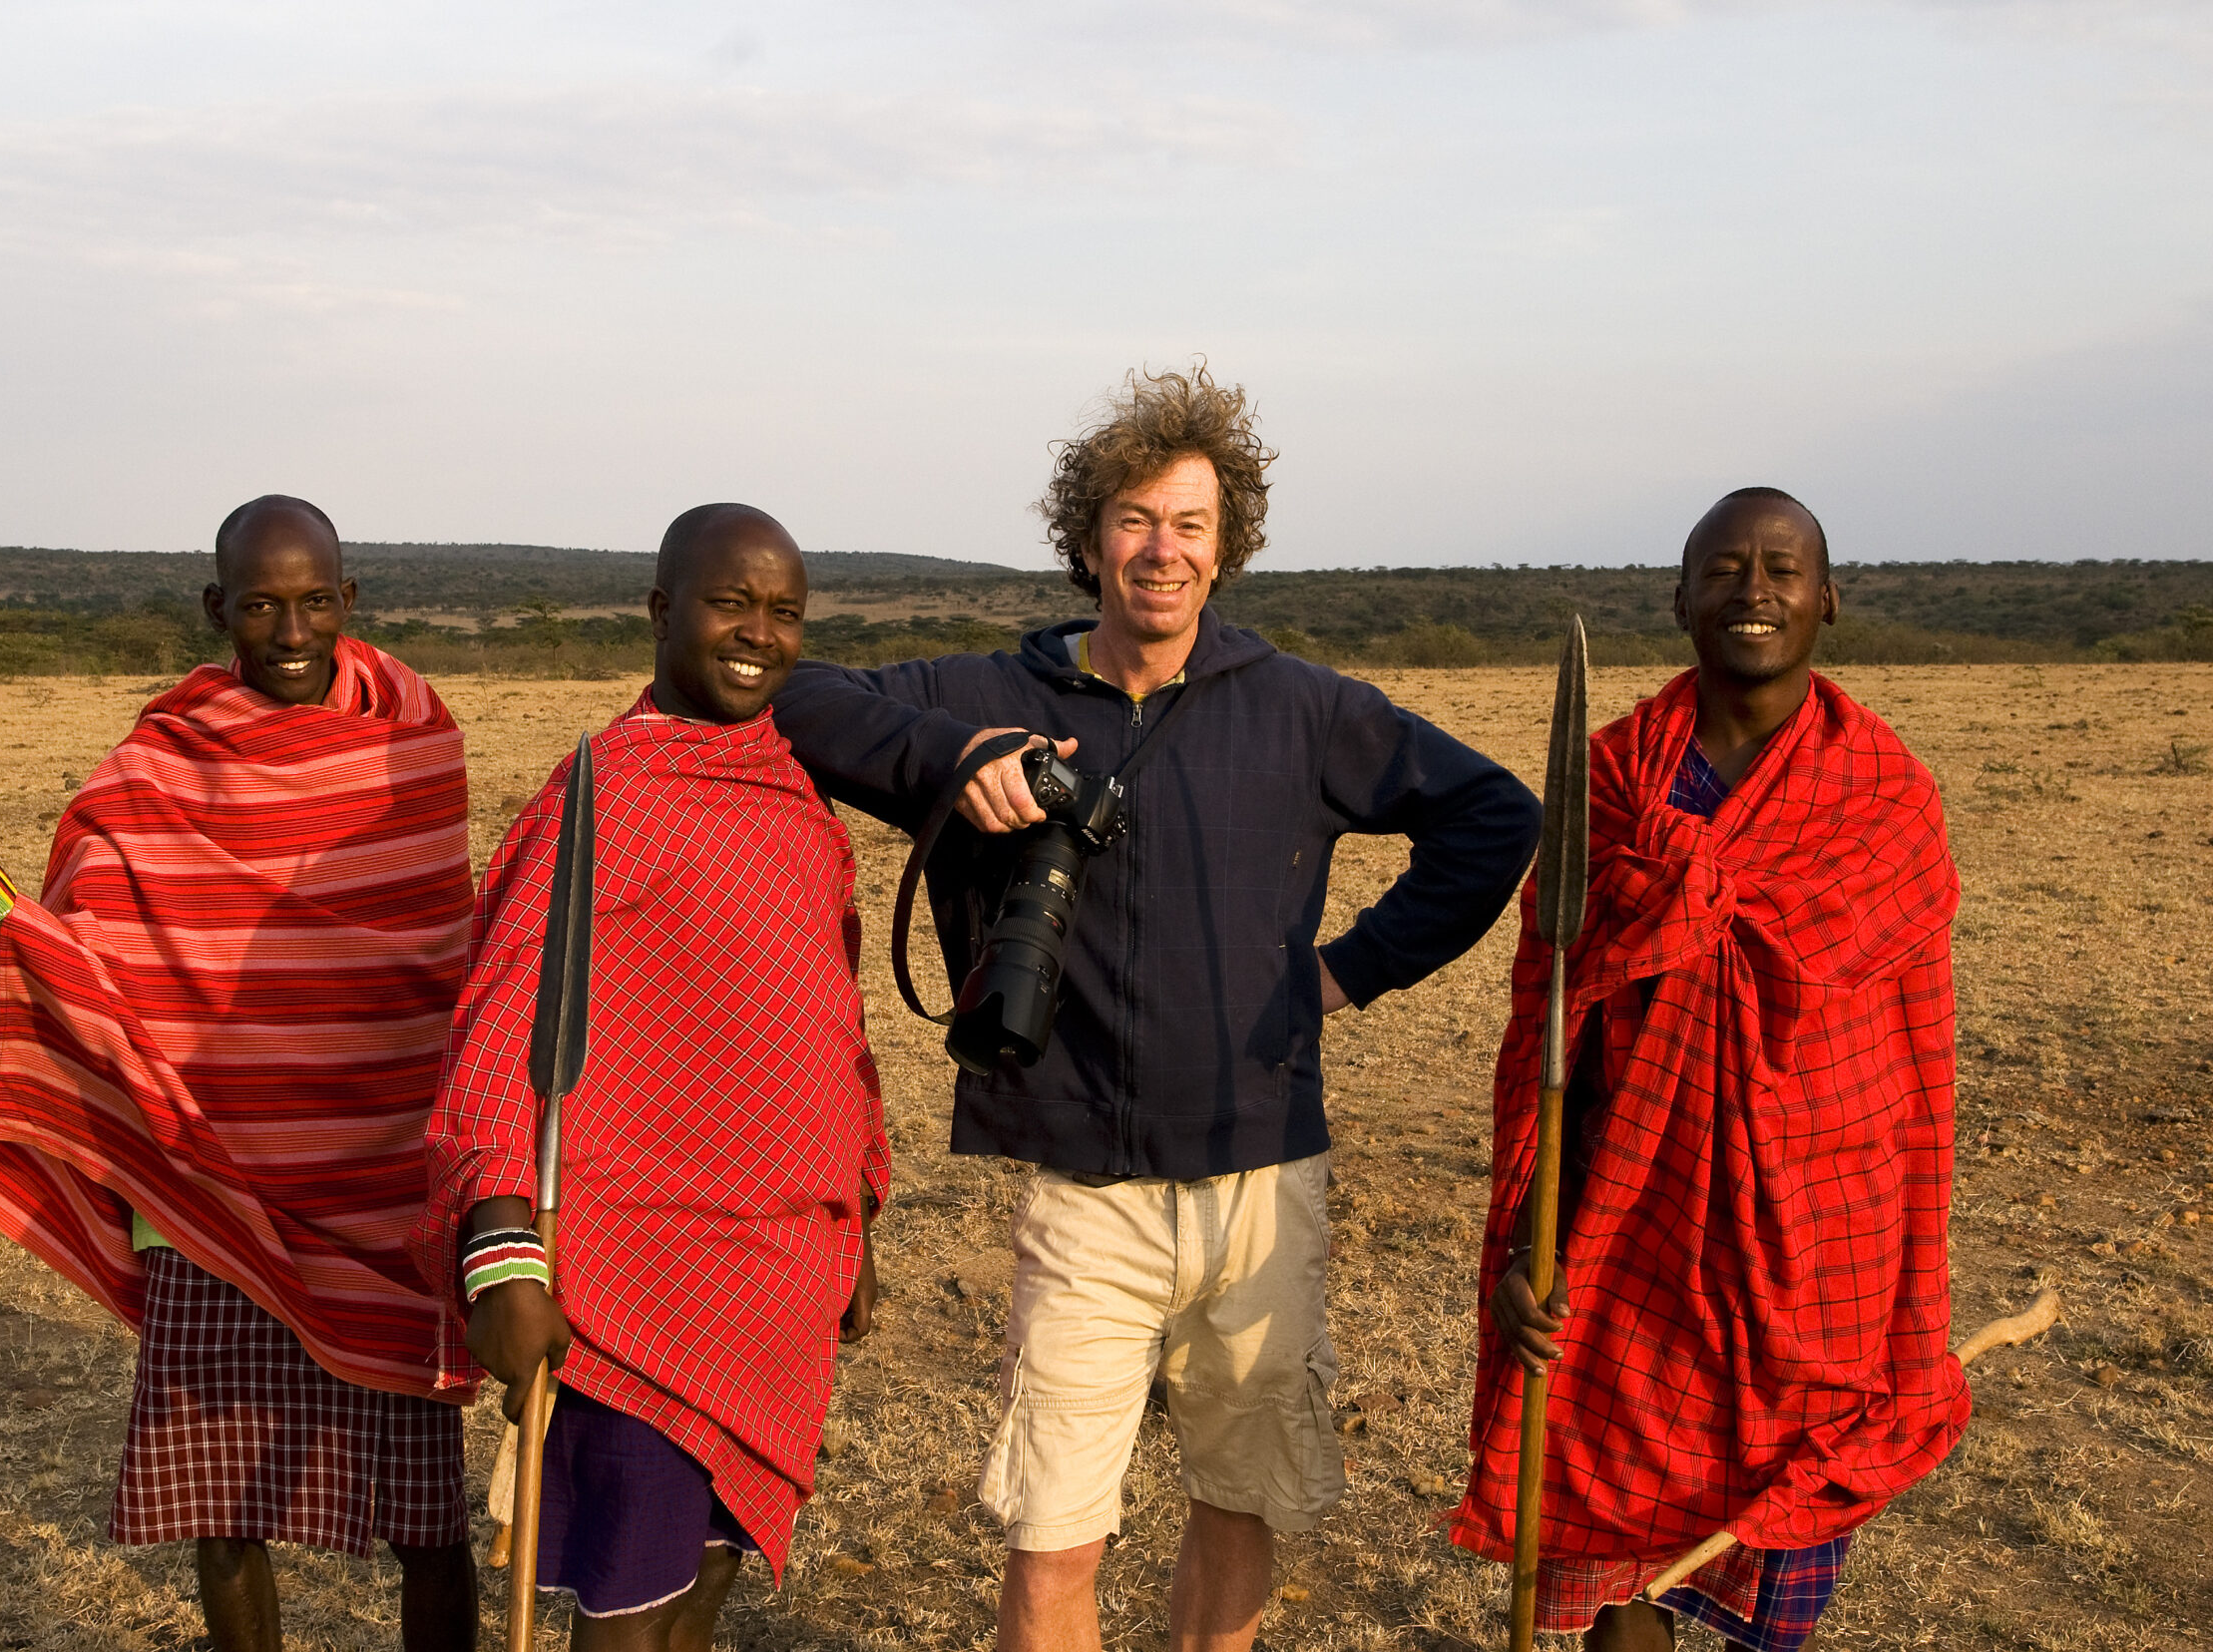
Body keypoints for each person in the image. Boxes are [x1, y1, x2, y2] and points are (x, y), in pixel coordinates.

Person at [765, 366, 1544, 1652]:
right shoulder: (991, 694)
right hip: (1083, 1190)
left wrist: (1345, 972)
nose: (1161, 550)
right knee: (1052, 1536)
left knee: (1238, 1506)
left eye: (1189, 523)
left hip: (1260, 1178)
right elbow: (797, 693)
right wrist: (958, 760)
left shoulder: (1299, 707)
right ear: (1087, 542)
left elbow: (1493, 815)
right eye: (1133, 520)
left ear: (1226, 547)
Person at [0, 496, 480, 1652]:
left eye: (313, 602)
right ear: (218, 608)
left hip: (383, 1191)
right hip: (203, 1180)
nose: (290, 631)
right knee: (220, 1509)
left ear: (349, 599)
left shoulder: (416, 744)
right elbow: (80, 961)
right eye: (261, 605)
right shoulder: (158, 763)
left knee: (427, 1523)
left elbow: (435, 966)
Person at [1451, 488, 1971, 1652]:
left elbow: (1912, 1054)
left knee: (1773, 1529)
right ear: (1679, 599)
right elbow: (1551, 1031)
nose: (1754, 591)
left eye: (1782, 569)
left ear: (1826, 601)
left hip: (1818, 1236)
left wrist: (1902, 1261)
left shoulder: (1882, 796)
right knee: (1617, 1555)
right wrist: (1530, 1235)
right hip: (1631, 1218)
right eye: (1725, 568)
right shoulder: (1611, 781)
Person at [417, 504, 890, 1650]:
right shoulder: (606, 793)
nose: (759, 633)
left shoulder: (798, 801)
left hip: (777, 1278)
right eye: (731, 603)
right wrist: (500, 1252)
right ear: (661, 610)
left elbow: (831, 1021)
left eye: (784, 612)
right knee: (629, 1603)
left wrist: (856, 1216)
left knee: (705, 1583)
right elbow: (504, 1027)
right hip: (636, 1277)